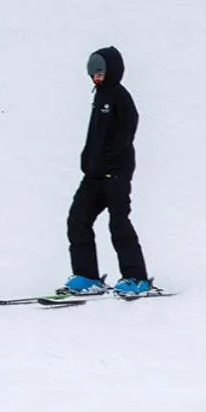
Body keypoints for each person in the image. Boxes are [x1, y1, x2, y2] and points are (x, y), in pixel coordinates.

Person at [61, 46, 152, 296]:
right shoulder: (100, 95)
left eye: (100, 73)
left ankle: (136, 278)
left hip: (116, 173)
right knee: (78, 218)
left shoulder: (120, 96)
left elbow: (128, 129)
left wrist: (112, 159)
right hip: (94, 174)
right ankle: (87, 276)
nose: (96, 78)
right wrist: (88, 160)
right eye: (93, 74)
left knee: (119, 222)